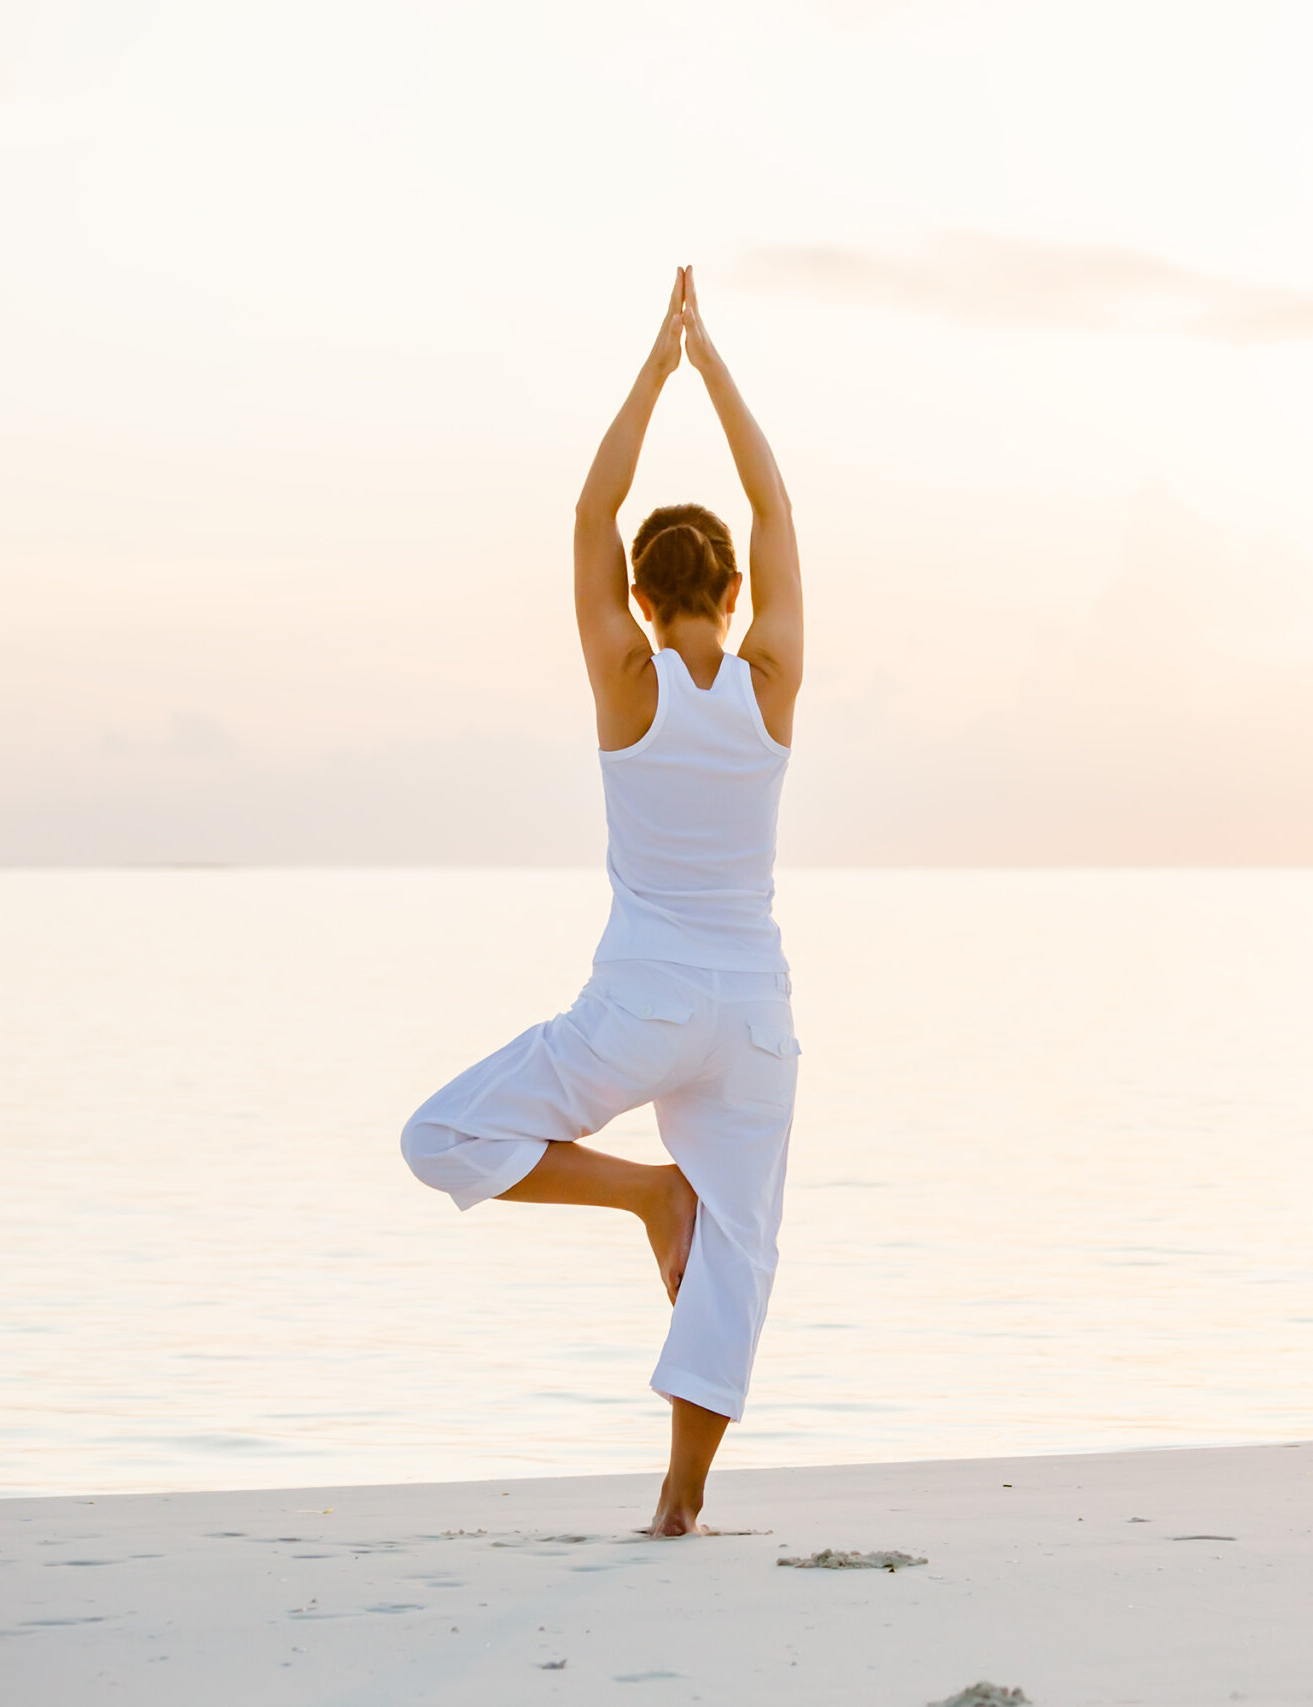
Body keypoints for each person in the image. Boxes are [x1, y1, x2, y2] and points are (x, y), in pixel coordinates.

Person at [398, 267, 804, 1536]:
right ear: (734, 595)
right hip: (752, 1014)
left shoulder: (627, 679)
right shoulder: (771, 677)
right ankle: (679, 1503)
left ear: (639, 597)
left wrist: (657, 360)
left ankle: (641, 1193)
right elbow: (776, 502)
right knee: (737, 1256)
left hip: (639, 1003)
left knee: (443, 1138)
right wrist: (714, 364)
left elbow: (590, 512)